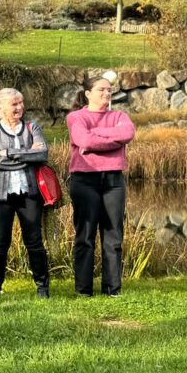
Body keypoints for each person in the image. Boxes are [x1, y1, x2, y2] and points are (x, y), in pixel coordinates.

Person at [66, 73, 136, 297]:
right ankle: (84, 290)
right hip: (85, 179)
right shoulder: (76, 117)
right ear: (88, 94)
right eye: (101, 90)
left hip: (114, 181)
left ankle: (112, 289)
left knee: (113, 236)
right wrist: (113, 141)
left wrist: (96, 134)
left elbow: (128, 133)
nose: (107, 93)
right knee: (85, 236)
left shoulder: (119, 116)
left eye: (109, 89)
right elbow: (83, 141)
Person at [0, 88, 51, 298]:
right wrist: (27, 158)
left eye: (21, 103)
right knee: (1, 240)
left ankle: (42, 288)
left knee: (34, 240)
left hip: (29, 192)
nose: (19, 107)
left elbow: (43, 154)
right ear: (0, 107)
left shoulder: (32, 127)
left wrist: (10, 153)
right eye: (14, 104)